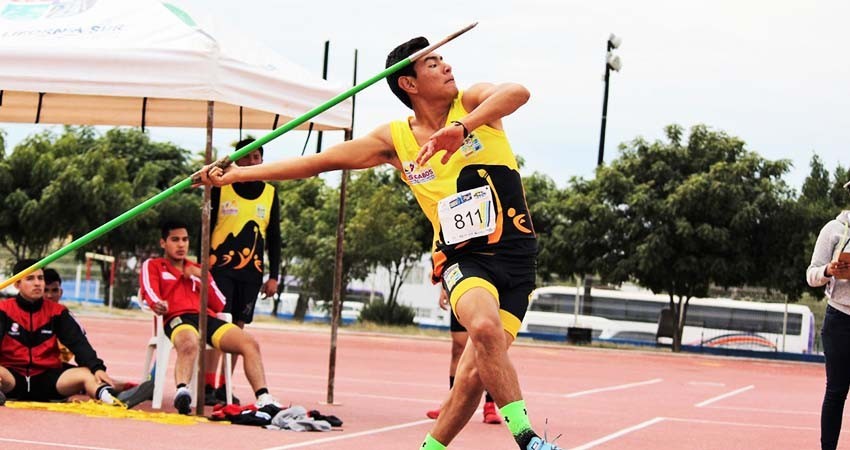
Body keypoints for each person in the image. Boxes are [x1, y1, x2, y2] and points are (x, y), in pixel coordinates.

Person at [201, 36, 562, 450]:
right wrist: (234, 176)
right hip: (464, 257)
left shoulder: (473, 102)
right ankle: (528, 439)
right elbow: (319, 162)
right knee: (482, 326)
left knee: (471, 377)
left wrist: (461, 128)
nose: (445, 66)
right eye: (432, 64)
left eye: (442, 58)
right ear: (408, 83)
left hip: (518, 256)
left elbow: (518, 92)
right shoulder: (396, 139)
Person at [140, 220, 281, 414]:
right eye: (175, 240)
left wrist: (202, 278)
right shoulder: (154, 265)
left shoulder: (198, 268)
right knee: (189, 342)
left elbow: (219, 303)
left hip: (207, 319)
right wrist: (158, 303)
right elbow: (149, 292)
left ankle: (264, 397)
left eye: (185, 240)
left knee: (249, 343)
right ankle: (182, 392)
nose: (181, 245)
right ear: (163, 243)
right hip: (177, 318)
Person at [205, 137, 281, 405]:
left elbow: (274, 237)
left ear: (261, 160)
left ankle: (224, 386)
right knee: (218, 325)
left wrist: (274, 276)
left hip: (251, 273)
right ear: (236, 161)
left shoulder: (270, 193)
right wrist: (202, 263)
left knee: (238, 328)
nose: (251, 162)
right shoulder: (220, 188)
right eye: (246, 157)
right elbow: (206, 224)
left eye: (256, 157)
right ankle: (207, 383)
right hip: (220, 269)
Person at [0, 259, 118, 406]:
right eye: (30, 279)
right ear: (17, 284)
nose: (37, 283)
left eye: (40, 278)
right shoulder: (3, 309)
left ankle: (113, 399)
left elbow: (78, 343)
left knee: (87, 374)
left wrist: (97, 368)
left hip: (49, 380)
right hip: (12, 379)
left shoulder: (58, 312)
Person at [807, 179, 850, 450]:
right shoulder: (834, 229)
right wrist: (828, 271)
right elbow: (811, 274)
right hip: (840, 321)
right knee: (836, 391)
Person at [426, 287, 501, 424]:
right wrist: (444, 286)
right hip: (464, 285)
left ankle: (490, 405)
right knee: (458, 348)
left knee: (488, 347)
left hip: (490, 286)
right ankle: (450, 404)